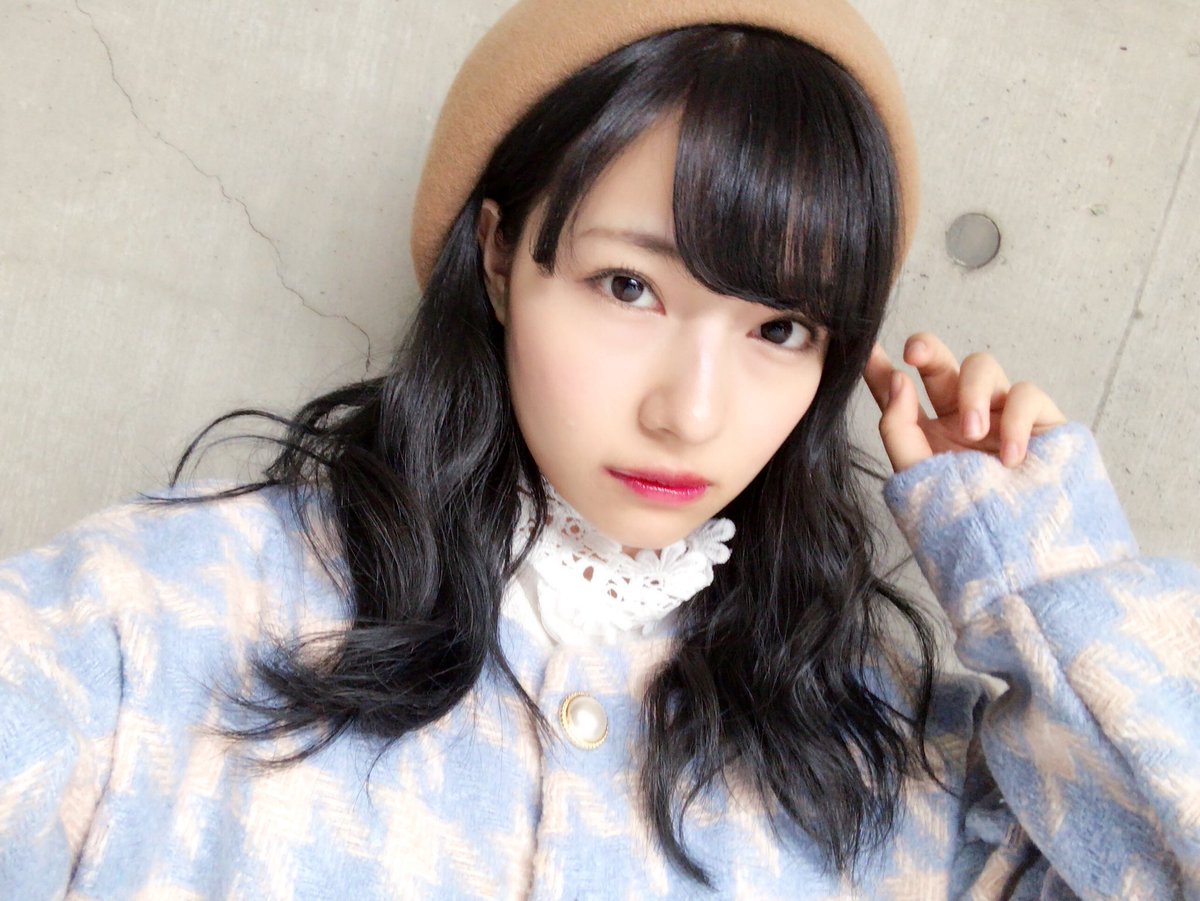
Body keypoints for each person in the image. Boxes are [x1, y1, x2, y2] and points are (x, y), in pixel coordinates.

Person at [1, 0, 1197, 898]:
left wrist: (1045, 577)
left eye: (780, 328)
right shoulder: (152, 623)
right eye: (629, 286)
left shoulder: (896, 773)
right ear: (496, 255)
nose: (692, 412)